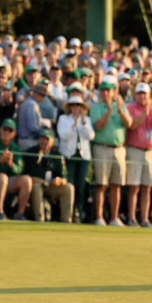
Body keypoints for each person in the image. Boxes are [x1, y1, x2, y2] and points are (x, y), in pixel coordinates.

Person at [89, 76, 131, 226]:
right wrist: (109, 112)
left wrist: (118, 109)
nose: (105, 93)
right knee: (101, 184)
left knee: (116, 184)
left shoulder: (121, 106)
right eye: (103, 90)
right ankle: (99, 217)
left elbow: (129, 123)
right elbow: (98, 126)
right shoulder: (96, 108)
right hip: (102, 148)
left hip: (119, 149)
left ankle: (114, 218)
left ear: (114, 92)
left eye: (108, 90)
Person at [125, 83, 152, 227]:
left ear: (149, 95)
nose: (142, 96)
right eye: (139, 94)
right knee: (134, 187)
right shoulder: (130, 108)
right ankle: (132, 218)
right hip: (135, 150)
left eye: (144, 94)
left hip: (150, 151)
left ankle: (145, 218)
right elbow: (132, 125)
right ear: (135, 95)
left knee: (147, 188)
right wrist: (144, 115)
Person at [56, 94, 94, 223]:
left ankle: (79, 210)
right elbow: (63, 135)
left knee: (81, 185)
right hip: (69, 155)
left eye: (78, 105)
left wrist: (82, 122)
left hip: (83, 156)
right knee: (70, 184)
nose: (76, 108)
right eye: (73, 105)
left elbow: (90, 136)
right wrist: (74, 126)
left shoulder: (86, 120)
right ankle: (69, 212)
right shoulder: (63, 119)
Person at [26, 129, 74, 223]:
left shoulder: (57, 156)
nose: (44, 142)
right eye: (42, 139)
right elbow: (27, 176)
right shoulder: (31, 153)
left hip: (52, 186)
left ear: (52, 141)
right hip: (37, 185)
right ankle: (39, 219)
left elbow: (64, 177)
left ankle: (66, 220)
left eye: (47, 139)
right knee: (36, 187)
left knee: (69, 188)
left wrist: (59, 181)